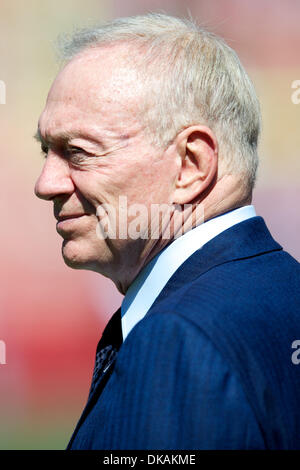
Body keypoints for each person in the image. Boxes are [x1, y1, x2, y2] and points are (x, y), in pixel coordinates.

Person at [34, 13, 300, 450]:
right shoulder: (284, 290)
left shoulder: (176, 341)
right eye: (47, 151)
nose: (46, 185)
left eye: (77, 152)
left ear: (191, 165)